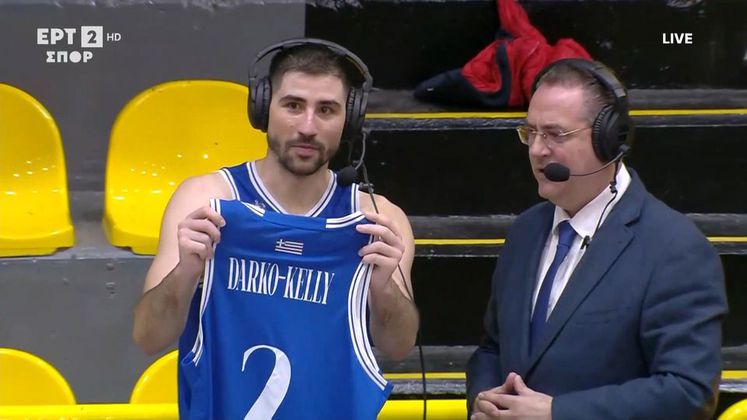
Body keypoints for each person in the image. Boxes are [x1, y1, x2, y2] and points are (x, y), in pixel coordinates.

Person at [132, 39, 419, 417]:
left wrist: (383, 289)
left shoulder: (376, 220)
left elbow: (398, 346)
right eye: (293, 105)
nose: (308, 127)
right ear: (263, 108)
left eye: (327, 110)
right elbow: (148, 337)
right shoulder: (205, 200)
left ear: (349, 120)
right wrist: (185, 272)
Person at [466, 59, 727, 420]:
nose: (537, 150)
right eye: (531, 132)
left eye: (555, 134)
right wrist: (483, 399)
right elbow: (492, 349)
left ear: (609, 139)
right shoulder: (525, 232)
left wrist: (558, 413)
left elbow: (689, 392)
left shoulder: (675, 248)